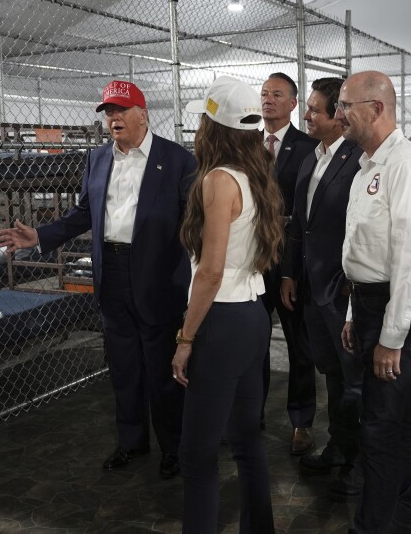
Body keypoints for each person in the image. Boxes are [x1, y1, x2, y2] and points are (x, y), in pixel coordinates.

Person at [0, 80, 195, 478]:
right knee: (123, 366)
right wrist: (41, 236)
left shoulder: (176, 160)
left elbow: (195, 221)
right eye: (108, 112)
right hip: (112, 272)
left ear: (143, 113)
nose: (113, 118)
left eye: (121, 110)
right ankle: (131, 442)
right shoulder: (98, 159)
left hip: (158, 273)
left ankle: (174, 447)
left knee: (162, 369)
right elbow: (85, 213)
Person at [336, 71, 411, 534]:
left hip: (395, 305)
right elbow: (364, 247)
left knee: (378, 428)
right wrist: (351, 311)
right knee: (399, 418)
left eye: (345, 105)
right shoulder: (368, 166)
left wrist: (390, 338)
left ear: (376, 108)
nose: (339, 114)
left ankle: (374, 526)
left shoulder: (408, 165)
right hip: (369, 303)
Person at [173, 75, 282, 533]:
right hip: (253, 317)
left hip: (222, 321)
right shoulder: (256, 176)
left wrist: (185, 338)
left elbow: (211, 271)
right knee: (246, 442)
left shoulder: (218, 180)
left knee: (196, 457)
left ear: (211, 127)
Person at [280, 77, 364, 499]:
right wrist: (291, 273)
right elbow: (299, 222)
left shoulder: (358, 160)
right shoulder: (311, 157)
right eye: (308, 108)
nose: (306, 115)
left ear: (338, 116)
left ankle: (357, 462)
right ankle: (338, 447)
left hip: (342, 288)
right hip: (312, 287)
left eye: (314, 109)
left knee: (353, 379)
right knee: (330, 370)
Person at [260, 72, 319, 454]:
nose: (268, 100)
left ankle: (301, 422)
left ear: (293, 103)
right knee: (252, 341)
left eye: (277, 95)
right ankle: (252, 413)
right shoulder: (248, 143)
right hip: (253, 259)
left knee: (299, 344)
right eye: (264, 94)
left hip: (290, 259)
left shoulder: (308, 147)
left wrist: (292, 269)